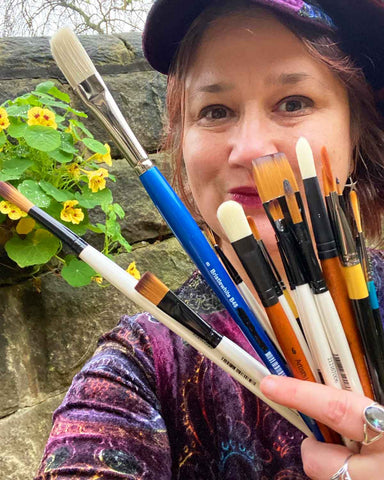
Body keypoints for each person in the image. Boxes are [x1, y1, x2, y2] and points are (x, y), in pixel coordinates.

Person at [35, 1, 384, 478]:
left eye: (294, 103)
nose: (250, 148)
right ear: (179, 141)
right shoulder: (139, 367)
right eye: (216, 110)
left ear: (356, 128)